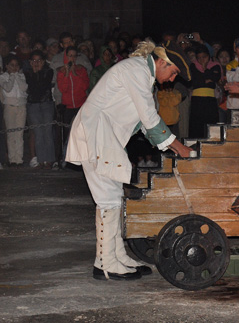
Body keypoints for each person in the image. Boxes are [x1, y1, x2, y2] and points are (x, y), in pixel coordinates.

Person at [65, 40, 194, 281]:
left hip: (105, 137)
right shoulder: (137, 71)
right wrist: (179, 148)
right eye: (174, 72)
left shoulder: (141, 73)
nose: (173, 78)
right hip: (96, 134)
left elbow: (145, 123)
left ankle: (116, 256)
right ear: (162, 62)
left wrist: (173, 146)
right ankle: (105, 264)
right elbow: (149, 118)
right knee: (108, 200)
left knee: (114, 198)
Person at [24, 50, 56, 169]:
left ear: (43, 61)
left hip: (46, 103)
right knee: (38, 133)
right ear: (30, 62)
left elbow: (43, 86)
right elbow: (32, 87)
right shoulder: (27, 72)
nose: (36, 63)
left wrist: (38, 72)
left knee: (47, 131)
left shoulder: (49, 71)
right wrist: (34, 72)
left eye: (39, 60)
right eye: (34, 60)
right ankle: (41, 159)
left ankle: (50, 159)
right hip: (33, 104)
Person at [189, 45, 222, 138]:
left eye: (204, 57)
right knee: (196, 127)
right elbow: (195, 81)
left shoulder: (215, 65)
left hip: (210, 100)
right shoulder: (193, 65)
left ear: (209, 56)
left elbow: (215, 78)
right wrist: (207, 79)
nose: (201, 60)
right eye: (199, 57)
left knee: (211, 126)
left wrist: (205, 69)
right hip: (197, 100)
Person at [0, 55, 28, 167]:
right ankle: (12, 159)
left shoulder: (22, 75)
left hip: (21, 106)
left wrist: (17, 76)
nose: (14, 67)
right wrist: (12, 76)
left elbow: (24, 88)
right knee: (11, 133)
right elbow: (7, 88)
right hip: (9, 106)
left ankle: (19, 159)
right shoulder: (3, 77)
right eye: (12, 65)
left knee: (19, 134)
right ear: (7, 66)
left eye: (16, 65)